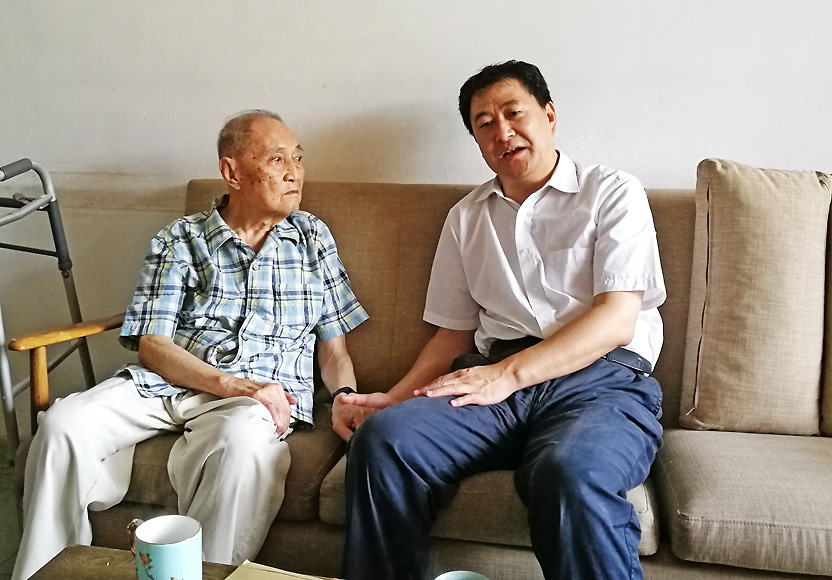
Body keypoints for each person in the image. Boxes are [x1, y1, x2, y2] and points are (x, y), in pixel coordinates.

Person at [333, 61, 665, 580]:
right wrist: (392, 399)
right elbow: (453, 333)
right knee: (383, 440)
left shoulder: (612, 191)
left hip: (601, 380)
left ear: (548, 115)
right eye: (484, 124)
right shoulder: (466, 217)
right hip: (494, 387)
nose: (502, 132)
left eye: (514, 113)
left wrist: (505, 375)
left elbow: (616, 320)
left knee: (569, 473)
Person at [13, 110, 368, 580]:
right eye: (277, 159)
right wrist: (231, 383)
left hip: (257, 400)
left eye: (297, 159)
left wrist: (344, 396)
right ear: (232, 172)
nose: (294, 172)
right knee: (62, 424)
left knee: (242, 444)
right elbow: (153, 345)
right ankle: (45, 573)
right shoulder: (180, 239)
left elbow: (334, 349)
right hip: (168, 384)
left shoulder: (311, 238)